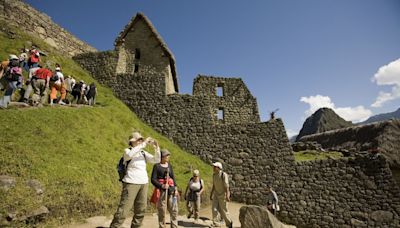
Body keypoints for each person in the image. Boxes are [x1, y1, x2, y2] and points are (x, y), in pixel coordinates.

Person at [110, 132, 161, 228]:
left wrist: (156, 147)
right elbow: (130, 155)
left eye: (141, 139)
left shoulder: (143, 153)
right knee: (124, 210)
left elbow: (156, 160)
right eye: (139, 140)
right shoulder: (127, 151)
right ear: (132, 141)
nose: (141, 141)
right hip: (130, 183)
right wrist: (144, 143)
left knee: (141, 209)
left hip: (143, 183)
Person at [151, 149, 179, 228]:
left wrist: (175, 188)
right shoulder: (157, 166)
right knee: (162, 210)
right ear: (162, 157)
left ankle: (174, 226)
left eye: (168, 155)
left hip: (171, 190)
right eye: (167, 155)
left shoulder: (169, 165)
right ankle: (162, 226)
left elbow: (173, 177)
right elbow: (153, 179)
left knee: (174, 210)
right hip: (162, 191)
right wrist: (162, 186)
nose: (168, 157)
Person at [210, 162, 232, 228]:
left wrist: (227, 195)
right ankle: (216, 224)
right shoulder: (214, 175)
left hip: (223, 195)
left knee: (224, 210)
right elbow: (214, 185)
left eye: (215, 167)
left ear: (219, 168)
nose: (213, 168)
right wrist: (211, 194)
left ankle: (229, 223)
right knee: (214, 208)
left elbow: (226, 186)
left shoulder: (223, 175)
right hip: (216, 194)